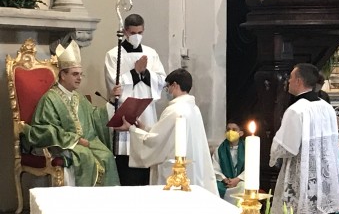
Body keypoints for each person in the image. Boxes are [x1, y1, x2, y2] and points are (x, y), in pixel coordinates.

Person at [23, 40, 120, 186]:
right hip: (62, 145)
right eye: (75, 74)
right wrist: (75, 140)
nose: (79, 78)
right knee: (84, 156)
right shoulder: (50, 98)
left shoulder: (78, 96)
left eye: (81, 74)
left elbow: (95, 117)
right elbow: (44, 129)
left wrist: (111, 101)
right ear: (63, 75)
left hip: (86, 142)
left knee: (106, 156)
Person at [114, 68, 218, 195]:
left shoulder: (174, 110)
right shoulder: (194, 109)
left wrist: (131, 129)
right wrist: (145, 128)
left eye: (167, 87)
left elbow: (154, 141)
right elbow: (166, 135)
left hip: (174, 169)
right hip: (192, 166)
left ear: (175, 85)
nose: (167, 91)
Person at [269, 63, 339, 213]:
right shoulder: (327, 107)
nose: (288, 81)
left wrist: (273, 152)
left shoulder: (296, 110)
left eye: (290, 78)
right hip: (324, 179)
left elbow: (286, 147)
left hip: (302, 176)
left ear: (298, 81)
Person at [105, 13, 166, 186]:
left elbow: (162, 80)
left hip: (146, 111)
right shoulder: (113, 55)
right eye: (133, 33)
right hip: (125, 111)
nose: (136, 36)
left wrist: (145, 73)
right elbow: (113, 86)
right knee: (125, 158)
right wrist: (135, 72)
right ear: (125, 31)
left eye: (140, 32)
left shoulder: (151, 53)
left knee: (145, 152)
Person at [212, 120, 245, 204]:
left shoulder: (248, 148)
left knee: (243, 187)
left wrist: (237, 179)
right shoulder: (220, 149)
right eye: (228, 129)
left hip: (240, 181)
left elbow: (252, 167)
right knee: (213, 186)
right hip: (224, 182)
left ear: (241, 133)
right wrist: (224, 179)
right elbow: (215, 167)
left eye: (234, 130)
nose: (230, 132)